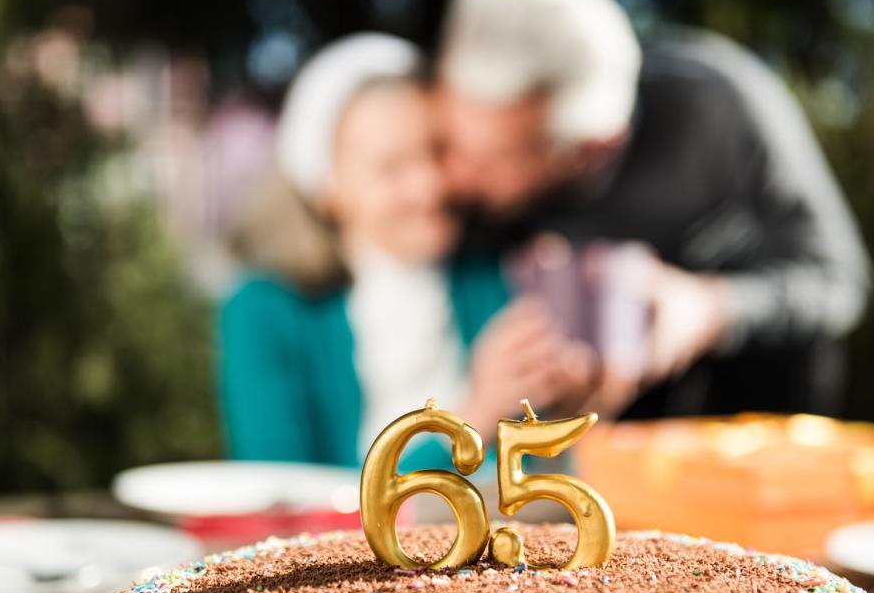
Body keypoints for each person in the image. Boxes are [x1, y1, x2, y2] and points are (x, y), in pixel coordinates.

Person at [436, 0, 872, 418]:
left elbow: (837, 280)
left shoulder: (716, 109)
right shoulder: (456, 173)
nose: (454, 175)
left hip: (755, 423)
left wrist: (712, 309)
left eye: (495, 160)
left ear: (589, 151)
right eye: (448, 139)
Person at [220, 33, 596, 468]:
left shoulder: (486, 277)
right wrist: (472, 416)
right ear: (328, 189)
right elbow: (283, 498)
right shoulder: (263, 310)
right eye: (391, 168)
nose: (429, 186)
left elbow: (534, 467)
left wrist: (565, 398)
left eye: (436, 152)